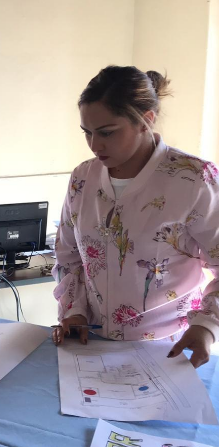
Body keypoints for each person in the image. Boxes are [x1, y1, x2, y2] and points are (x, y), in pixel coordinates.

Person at [51, 65, 219, 368]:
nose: (94, 145)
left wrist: (206, 325)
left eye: (107, 132)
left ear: (146, 120)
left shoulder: (194, 179)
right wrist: (74, 311)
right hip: (89, 345)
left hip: (169, 349)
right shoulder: (83, 178)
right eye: (87, 132)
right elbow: (68, 257)